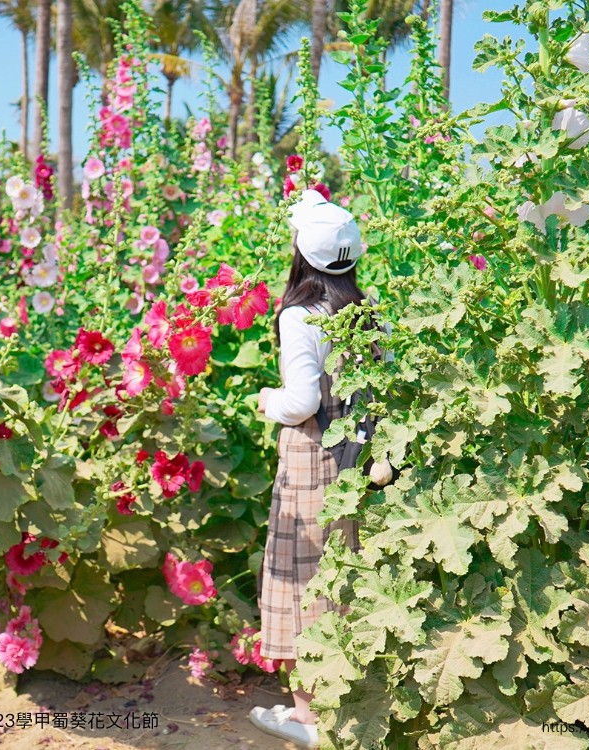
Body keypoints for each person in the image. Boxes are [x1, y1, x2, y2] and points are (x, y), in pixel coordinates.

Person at [248, 189, 368, 749]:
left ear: (302, 253)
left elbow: (300, 401)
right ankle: (348, 709)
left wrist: (266, 400)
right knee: (344, 577)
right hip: (358, 458)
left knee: (302, 581)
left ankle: (309, 718)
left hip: (314, 455)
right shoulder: (366, 311)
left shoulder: (301, 315)